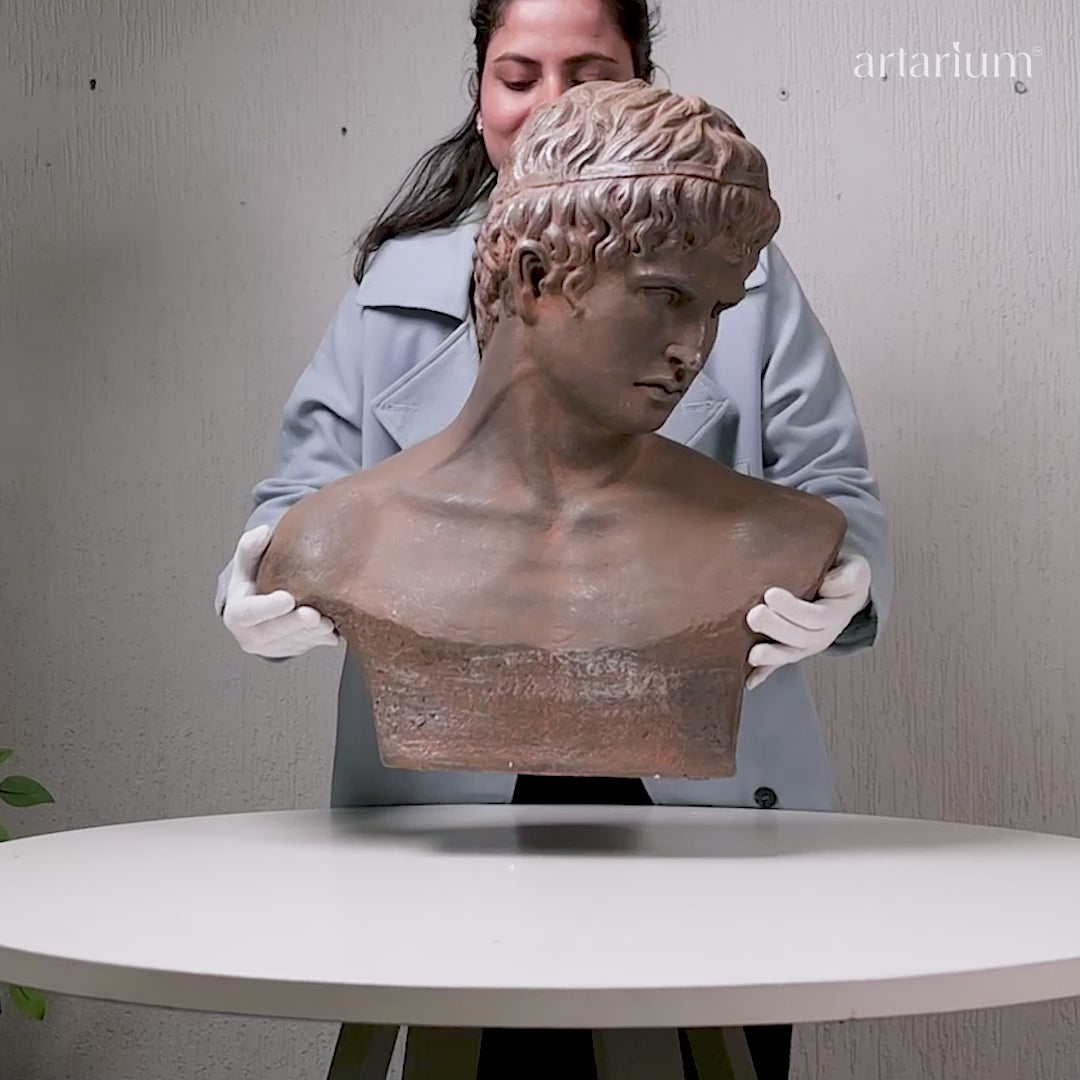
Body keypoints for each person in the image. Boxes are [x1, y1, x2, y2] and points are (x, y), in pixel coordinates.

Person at [215, 2, 892, 1076]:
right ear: (480, 89)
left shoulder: (744, 285)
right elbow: (301, 498)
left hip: (705, 807)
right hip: (452, 817)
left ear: (642, 81)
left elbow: (832, 488)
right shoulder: (391, 295)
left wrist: (848, 586)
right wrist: (260, 580)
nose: (549, 106)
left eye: (590, 73)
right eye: (518, 75)